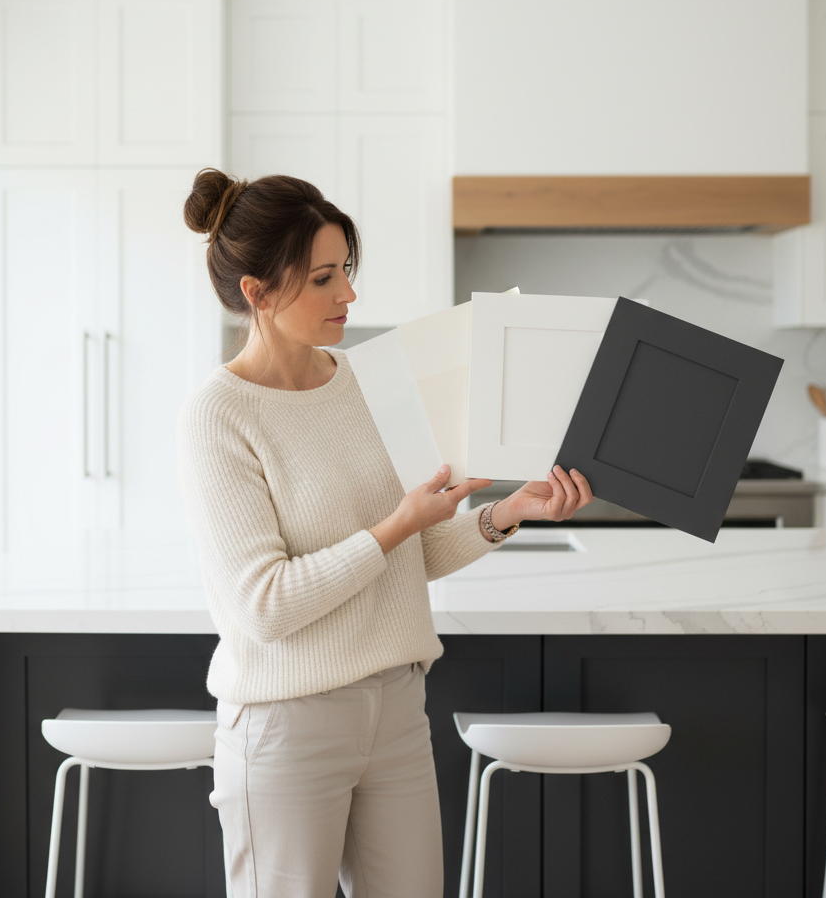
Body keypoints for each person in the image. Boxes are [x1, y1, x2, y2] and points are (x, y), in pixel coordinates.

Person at [177, 169, 593, 898]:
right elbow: (263, 606)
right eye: (322, 279)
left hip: (397, 710)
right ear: (257, 293)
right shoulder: (220, 415)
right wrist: (398, 521)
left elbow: (407, 555)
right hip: (287, 727)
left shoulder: (370, 383)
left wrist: (509, 512)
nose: (349, 295)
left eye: (347, 271)